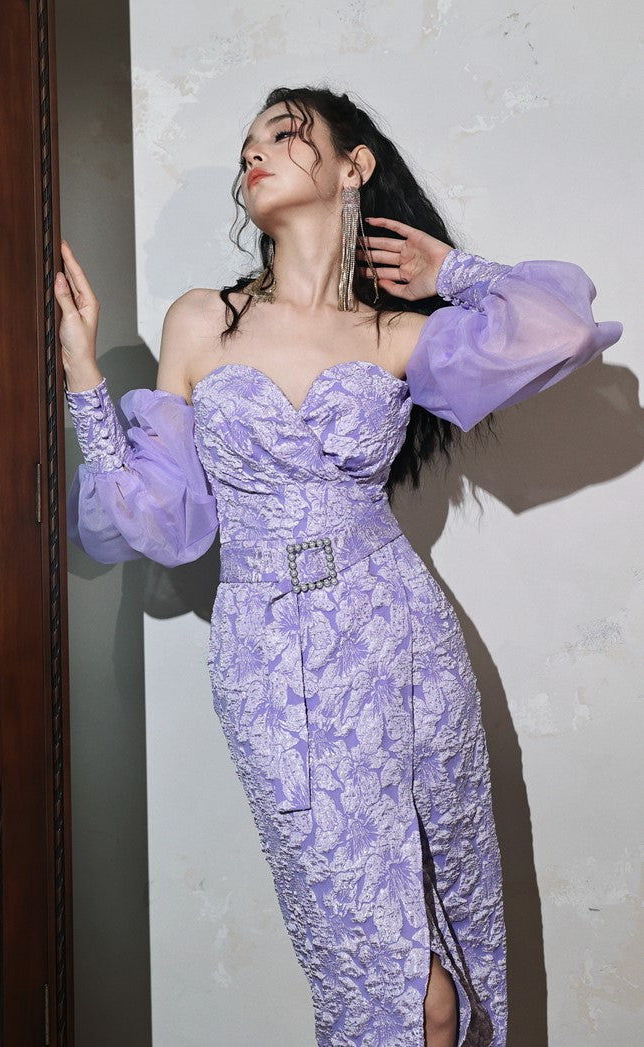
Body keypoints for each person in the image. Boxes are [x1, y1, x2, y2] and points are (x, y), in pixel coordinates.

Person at [56, 86, 623, 1047]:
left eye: (284, 133)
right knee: (393, 984)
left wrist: (453, 271)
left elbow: (561, 331)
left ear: (354, 166)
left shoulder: (394, 334)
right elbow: (159, 522)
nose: (256, 152)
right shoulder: (201, 321)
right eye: (248, 144)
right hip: (272, 667)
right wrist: (82, 376)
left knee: (449, 984)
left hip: (403, 646)